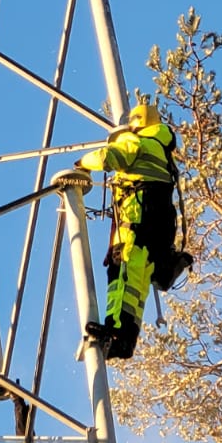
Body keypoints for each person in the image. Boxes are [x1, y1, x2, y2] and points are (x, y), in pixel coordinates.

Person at [76, 100, 180, 360]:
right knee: (137, 284)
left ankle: (115, 331)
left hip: (136, 220)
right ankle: (125, 340)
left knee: (121, 270)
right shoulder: (162, 150)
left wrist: (83, 163)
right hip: (158, 229)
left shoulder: (136, 140)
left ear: (137, 123)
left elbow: (111, 157)